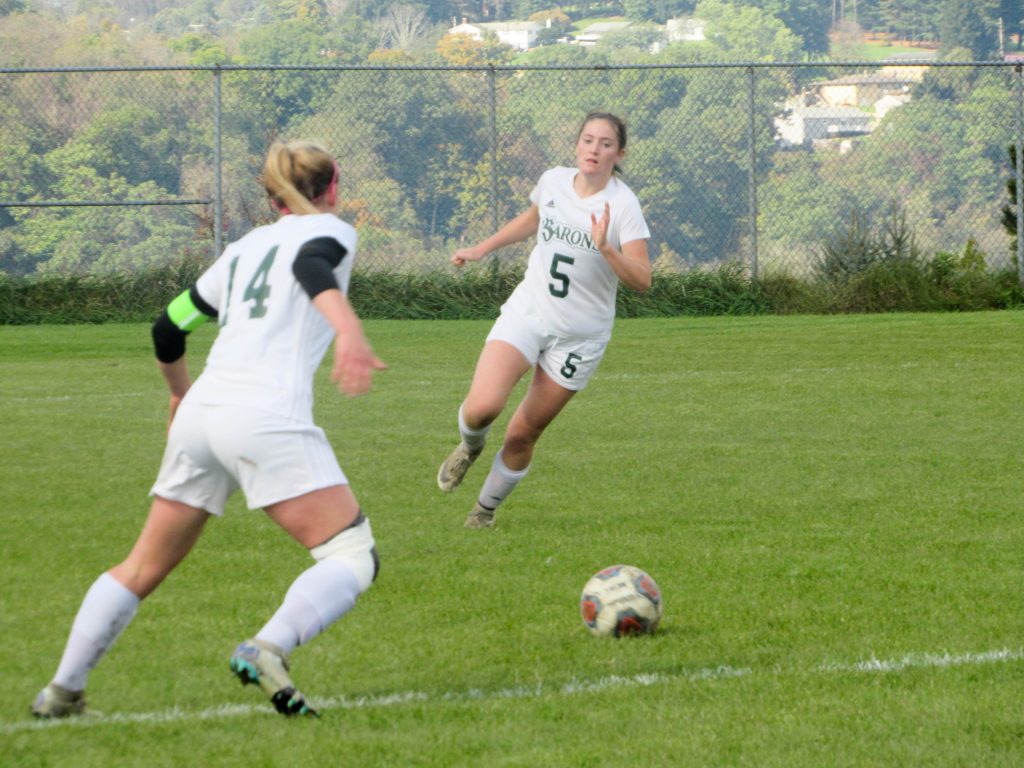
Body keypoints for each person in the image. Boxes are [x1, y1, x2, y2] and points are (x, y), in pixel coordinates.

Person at [31, 140, 386, 719]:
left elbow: (168, 326)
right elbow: (309, 264)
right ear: (335, 185)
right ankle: (267, 646)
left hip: (202, 415)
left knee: (142, 565)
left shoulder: (243, 249)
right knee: (352, 555)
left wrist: (178, 393)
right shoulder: (333, 233)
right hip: (263, 416)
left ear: (271, 198)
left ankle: (61, 693)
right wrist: (347, 329)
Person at [437, 112, 651, 529]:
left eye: (605, 143)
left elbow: (643, 280)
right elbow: (534, 219)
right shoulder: (554, 180)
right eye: (588, 140)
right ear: (577, 145)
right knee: (482, 408)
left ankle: (483, 514)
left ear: (619, 153)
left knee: (521, 435)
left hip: (579, 339)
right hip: (529, 312)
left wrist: (607, 249)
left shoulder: (623, 204)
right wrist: (483, 248)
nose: (594, 149)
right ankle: (469, 448)